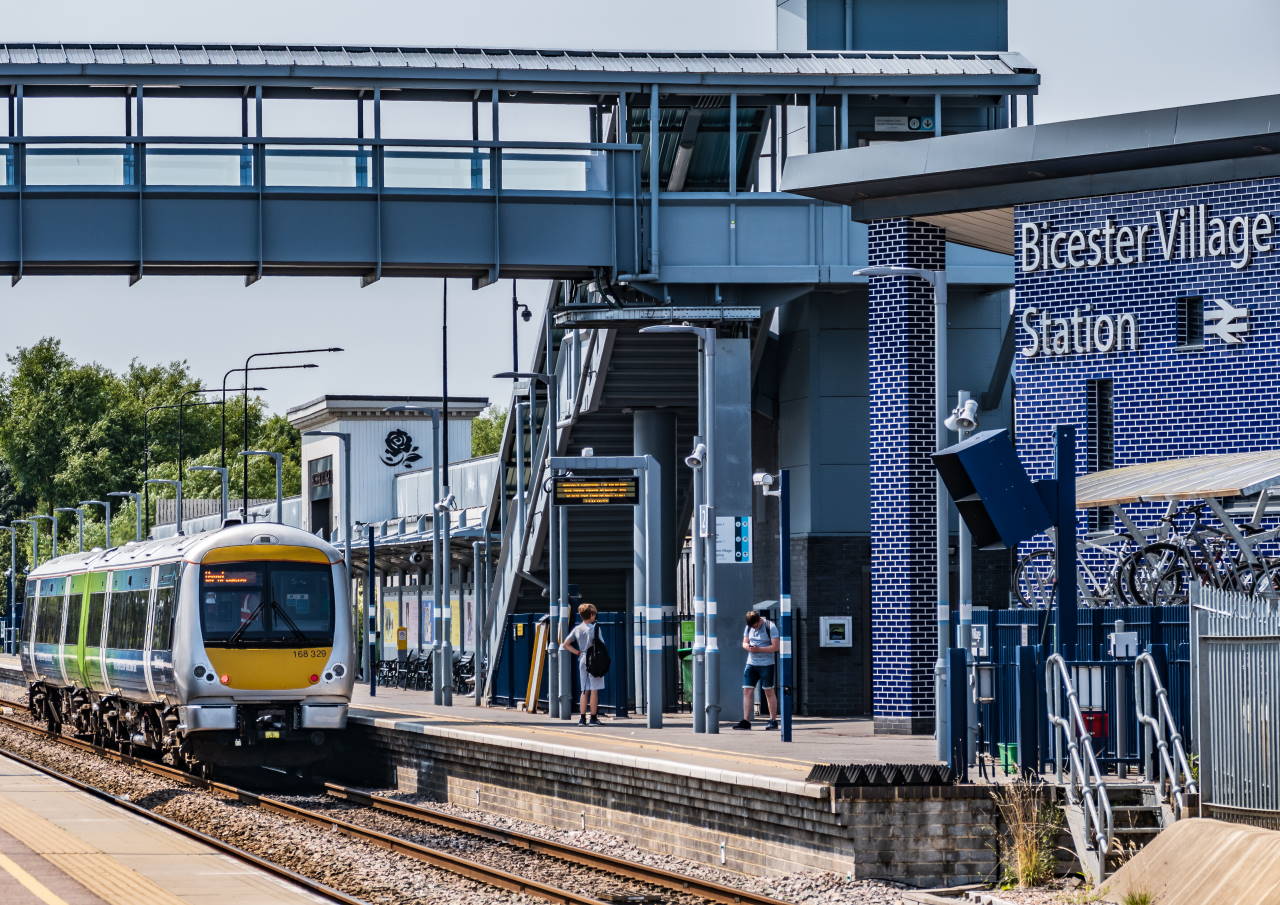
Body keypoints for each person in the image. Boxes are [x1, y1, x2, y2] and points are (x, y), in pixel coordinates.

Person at [733, 610, 780, 731]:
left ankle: (773, 721)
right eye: (752, 626)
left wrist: (758, 649)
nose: (754, 627)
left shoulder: (771, 626)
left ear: (759, 620)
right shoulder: (748, 627)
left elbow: (775, 647)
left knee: (768, 691)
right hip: (751, 663)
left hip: (766, 664)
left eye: (756, 625)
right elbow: (744, 642)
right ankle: (746, 721)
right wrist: (747, 647)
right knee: (747, 691)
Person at [561, 602, 604, 726]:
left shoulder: (577, 628)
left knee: (584, 690)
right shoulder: (595, 628)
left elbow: (565, 644)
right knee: (594, 690)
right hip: (595, 661)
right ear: (591, 615)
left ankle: (582, 719)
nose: (595, 616)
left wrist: (578, 652)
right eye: (594, 614)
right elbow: (602, 645)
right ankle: (593, 718)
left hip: (583, 659)